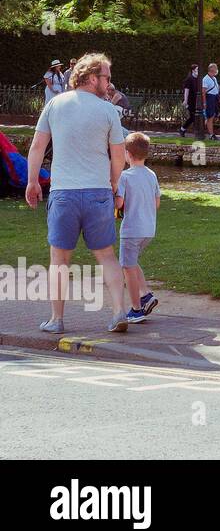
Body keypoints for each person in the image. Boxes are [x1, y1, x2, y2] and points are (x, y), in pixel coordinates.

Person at [24, 53, 131, 333]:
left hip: (64, 193)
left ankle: (56, 319)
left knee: (59, 259)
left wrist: (32, 181)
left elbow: (37, 147)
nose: (109, 84)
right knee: (107, 255)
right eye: (106, 77)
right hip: (97, 191)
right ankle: (119, 311)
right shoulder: (108, 110)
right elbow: (119, 154)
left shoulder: (55, 105)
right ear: (92, 77)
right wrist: (114, 182)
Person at [115, 132, 162, 324]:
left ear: (127, 154)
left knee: (127, 267)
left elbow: (119, 203)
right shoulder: (151, 175)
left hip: (131, 229)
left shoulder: (124, 177)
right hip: (148, 229)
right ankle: (146, 295)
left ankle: (136, 309)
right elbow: (156, 203)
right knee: (132, 263)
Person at [179, 64, 200, 137]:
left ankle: (183, 129)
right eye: (197, 69)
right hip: (190, 101)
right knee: (193, 116)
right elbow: (186, 90)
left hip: (196, 101)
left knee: (193, 117)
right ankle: (196, 132)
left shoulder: (198, 79)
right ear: (193, 70)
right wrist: (185, 100)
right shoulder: (189, 79)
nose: (198, 71)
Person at [201, 63, 220, 138]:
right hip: (210, 98)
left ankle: (205, 130)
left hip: (215, 98)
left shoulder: (214, 78)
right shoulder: (206, 79)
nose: (216, 70)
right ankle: (211, 134)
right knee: (210, 116)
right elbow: (203, 92)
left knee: (214, 115)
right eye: (216, 68)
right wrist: (205, 102)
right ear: (212, 70)